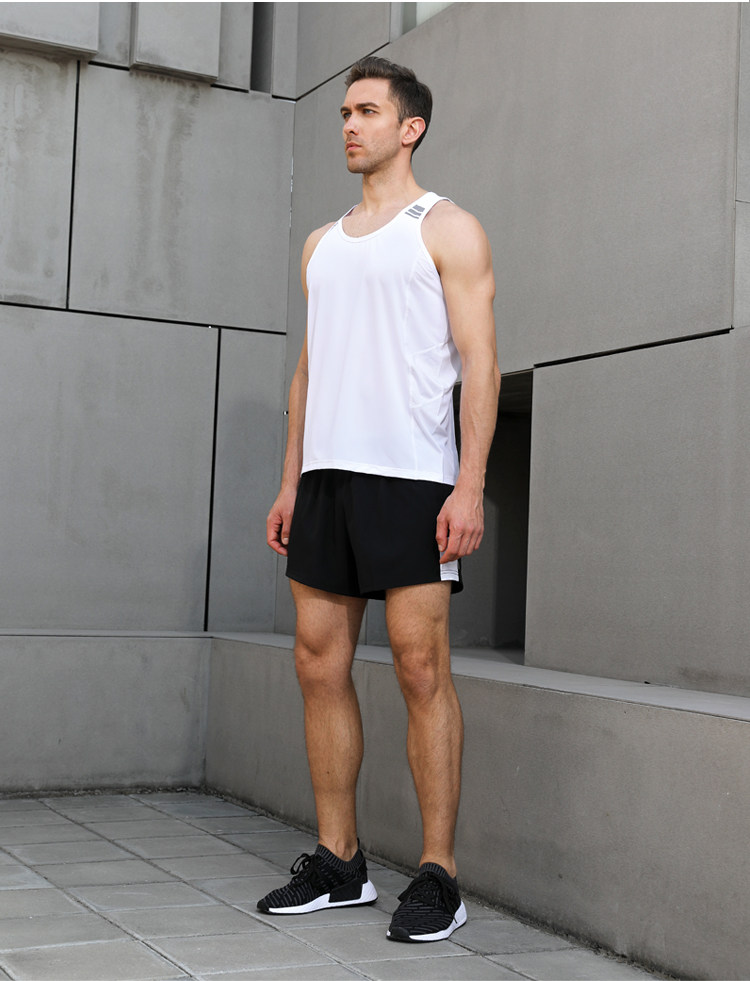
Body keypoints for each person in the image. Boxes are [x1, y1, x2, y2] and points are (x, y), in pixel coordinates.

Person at [259, 55, 500, 943]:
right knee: (316, 662)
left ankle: (439, 873)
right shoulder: (321, 244)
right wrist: (291, 478)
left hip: (414, 479)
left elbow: (481, 362)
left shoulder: (449, 228)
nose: (350, 126)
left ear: (410, 127)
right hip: (326, 479)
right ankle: (340, 860)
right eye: (344, 114)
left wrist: (469, 482)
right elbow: (309, 369)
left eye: (366, 111)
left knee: (419, 666)